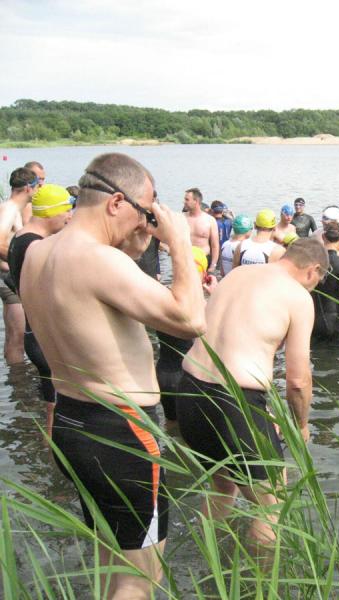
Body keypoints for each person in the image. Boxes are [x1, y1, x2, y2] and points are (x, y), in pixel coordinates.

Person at [21, 153, 206, 598]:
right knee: (140, 579)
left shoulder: (36, 253)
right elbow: (190, 320)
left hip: (71, 421)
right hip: (123, 432)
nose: (146, 223)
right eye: (144, 212)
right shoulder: (99, 260)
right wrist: (180, 243)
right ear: (116, 202)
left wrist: (134, 246)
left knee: (110, 561)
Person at [176, 238, 328, 544]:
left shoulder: (238, 274)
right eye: (317, 281)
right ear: (313, 270)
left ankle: (209, 559)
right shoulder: (298, 297)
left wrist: (264, 410)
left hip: (190, 390)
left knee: (222, 486)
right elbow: (298, 381)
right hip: (236, 401)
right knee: (271, 506)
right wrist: (300, 425)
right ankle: (262, 575)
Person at [7, 184, 73, 434]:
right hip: (44, 336)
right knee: (57, 407)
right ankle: (52, 450)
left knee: (52, 403)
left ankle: (47, 448)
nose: (69, 217)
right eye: (66, 210)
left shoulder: (20, 238)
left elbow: (12, 280)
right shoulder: (36, 246)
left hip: (33, 332)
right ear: (51, 212)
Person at [157, 247, 212, 424]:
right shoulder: (204, 307)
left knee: (170, 426)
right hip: (188, 379)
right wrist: (215, 296)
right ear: (204, 275)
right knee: (190, 432)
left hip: (164, 375)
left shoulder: (160, 297)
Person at [0, 167, 38, 364]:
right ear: (29, 188)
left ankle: (14, 376)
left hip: (8, 277)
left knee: (13, 335)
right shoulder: (9, 209)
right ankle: (18, 378)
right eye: (38, 186)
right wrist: (20, 261)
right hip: (8, 277)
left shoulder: (13, 209)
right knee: (18, 337)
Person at [184, 187, 220, 273]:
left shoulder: (210, 220)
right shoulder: (181, 218)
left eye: (187, 199)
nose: (184, 202)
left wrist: (213, 265)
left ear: (196, 201)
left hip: (203, 259)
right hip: (185, 259)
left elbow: (215, 245)